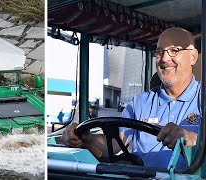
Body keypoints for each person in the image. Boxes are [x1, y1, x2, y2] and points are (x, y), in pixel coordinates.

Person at [62, 27, 200, 169]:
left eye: (174, 50)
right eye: (159, 52)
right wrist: (86, 139)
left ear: (193, 57)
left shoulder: (202, 98)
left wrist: (193, 138)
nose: (164, 59)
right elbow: (116, 144)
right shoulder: (139, 102)